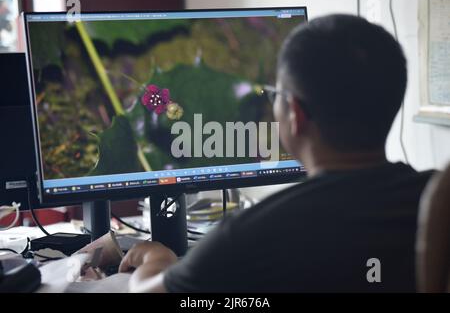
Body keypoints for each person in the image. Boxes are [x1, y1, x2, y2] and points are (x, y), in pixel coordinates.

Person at [118, 15, 434, 292]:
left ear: (295, 114)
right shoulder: (436, 202)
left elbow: (149, 292)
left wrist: (156, 258)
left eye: (278, 95)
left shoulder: (247, 238)